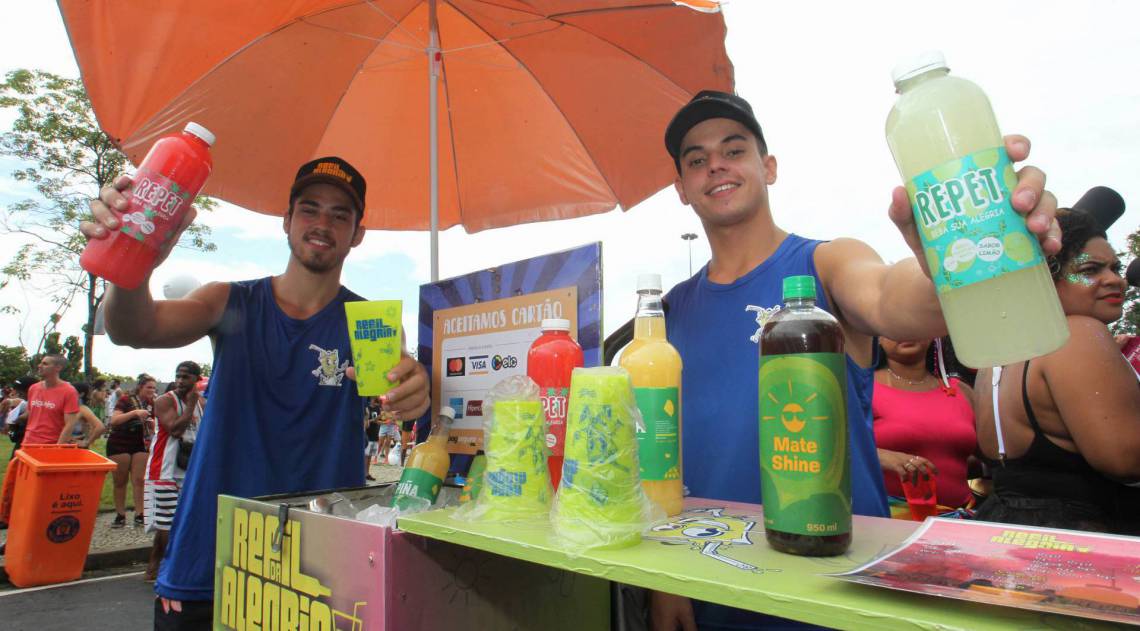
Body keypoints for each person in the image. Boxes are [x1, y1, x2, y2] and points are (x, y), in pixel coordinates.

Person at [653, 90, 1059, 630]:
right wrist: (662, 575)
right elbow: (662, 455)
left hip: (834, 587)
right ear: (682, 188)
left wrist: (956, 250)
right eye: (696, 160)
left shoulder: (826, 261)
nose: (716, 166)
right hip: (713, 581)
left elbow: (894, 297)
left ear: (768, 167)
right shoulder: (670, 310)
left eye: (734, 150)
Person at [82, 155, 430, 628]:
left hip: (317, 575)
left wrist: (416, 393)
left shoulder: (371, 324)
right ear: (287, 222)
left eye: (340, 214)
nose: (323, 223)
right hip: (208, 560)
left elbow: (402, 399)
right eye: (309, 208)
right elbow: (134, 327)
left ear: (358, 234)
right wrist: (134, 263)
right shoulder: (230, 300)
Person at [972, 208, 1140, 535]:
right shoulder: (1077, 334)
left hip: (1006, 533)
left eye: (1115, 267)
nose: (1115, 279)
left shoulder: (995, 356)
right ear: (1045, 275)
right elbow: (1126, 460)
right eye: (1090, 269)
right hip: (1088, 548)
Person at [872, 337, 977, 509]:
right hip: (888, 523)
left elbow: (990, 460)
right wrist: (884, 457)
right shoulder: (863, 389)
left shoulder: (961, 391)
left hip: (957, 522)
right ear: (877, 339)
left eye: (912, 323)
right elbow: (832, 449)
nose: (904, 331)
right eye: (894, 324)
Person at [144, 361, 203, 582]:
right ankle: (170, 568)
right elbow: (176, 429)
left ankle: (154, 567)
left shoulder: (202, 403)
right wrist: (189, 405)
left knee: (176, 520)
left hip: (188, 469)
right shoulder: (164, 401)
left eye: (185, 377)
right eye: (178, 376)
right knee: (166, 522)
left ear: (197, 379)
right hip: (165, 469)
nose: (180, 381)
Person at [107, 375, 158, 528]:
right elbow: (114, 421)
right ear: (140, 387)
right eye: (149, 387)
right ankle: (120, 514)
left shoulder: (152, 403)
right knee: (120, 481)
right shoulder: (126, 400)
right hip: (120, 441)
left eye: (154, 388)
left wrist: (152, 424)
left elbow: (155, 425)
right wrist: (134, 413)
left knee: (139, 480)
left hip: (140, 442)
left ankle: (140, 513)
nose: (152, 390)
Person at [22, 355, 80, 446]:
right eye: (40, 363)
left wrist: (58, 447)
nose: (39, 366)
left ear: (58, 367)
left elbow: (70, 424)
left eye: (45, 364)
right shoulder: (33, 388)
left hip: (51, 445)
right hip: (28, 443)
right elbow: (30, 414)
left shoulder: (69, 391)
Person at [3, 376, 37, 458]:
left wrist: (15, 421)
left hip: (33, 442)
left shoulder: (37, 403)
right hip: (22, 440)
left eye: (21, 392)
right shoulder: (25, 402)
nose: (19, 394)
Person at [71, 381, 108, 448]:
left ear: (81, 394)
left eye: (72, 391)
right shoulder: (67, 407)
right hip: (62, 445)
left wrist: (87, 442)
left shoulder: (82, 409)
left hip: (76, 446)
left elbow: (100, 427)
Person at [365, 399, 382, 480]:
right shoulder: (367, 407)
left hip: (375, 433)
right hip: (368, 433)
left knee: (370, 455)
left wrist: (380, 421)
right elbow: (366, 421)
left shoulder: (378, 408)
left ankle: (367, 473)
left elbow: (378, 420)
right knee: (366, 455)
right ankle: (363, 473)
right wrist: (374, 420)